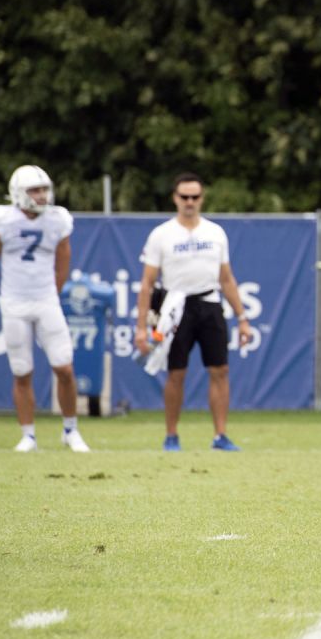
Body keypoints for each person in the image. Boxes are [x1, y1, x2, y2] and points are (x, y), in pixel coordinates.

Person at [0, 166, 88, 452]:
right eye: (35, 190)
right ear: (18, 193)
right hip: (13, 303)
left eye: (44, 189)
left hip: (46, 301)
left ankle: (70, 430)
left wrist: (52, 296)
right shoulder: (2, 220)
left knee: (65, 368)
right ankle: (29, 435)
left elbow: (63, 264)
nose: (42, 195)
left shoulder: (58, 220)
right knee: (22, 372)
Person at [134, 172, 252, 452]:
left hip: (210, 303)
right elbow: (148, 283)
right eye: (184, 197)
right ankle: (171, 435)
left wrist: (242, 318)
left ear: (202, 198)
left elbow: (227, 279)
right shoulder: (162, 235)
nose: (189, 202)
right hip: (176, 306)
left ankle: (220, 436)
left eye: (194, 197)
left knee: (220, 369)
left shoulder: (215, 233)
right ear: (175, 198)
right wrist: (141, 327)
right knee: (176, 372)